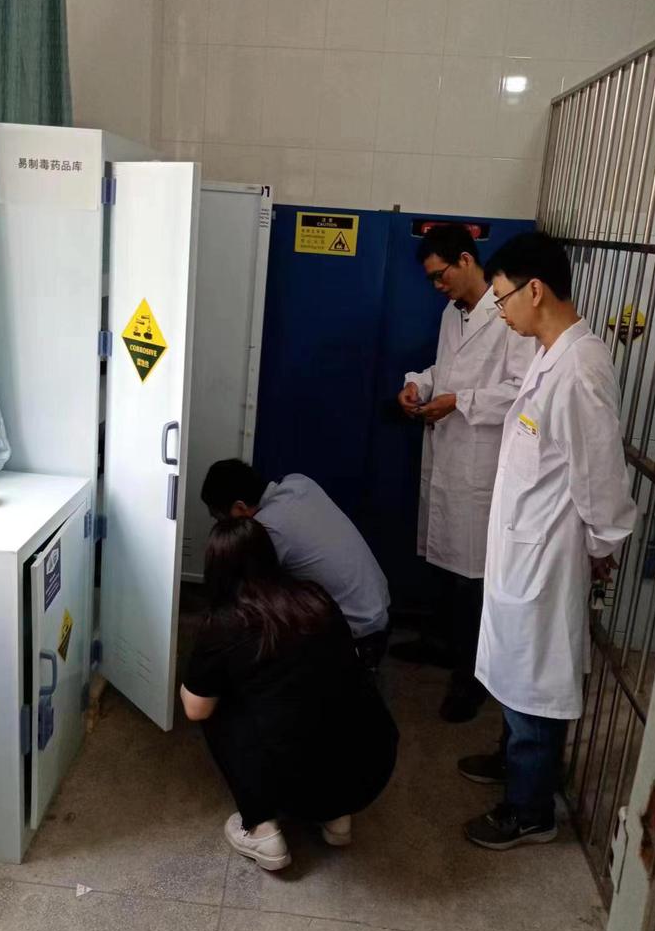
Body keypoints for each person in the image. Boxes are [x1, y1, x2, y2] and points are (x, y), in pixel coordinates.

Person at [462, 231, 636, 850]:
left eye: (502, 298)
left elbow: (600, 478)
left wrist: (602, 548)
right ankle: (516, 762)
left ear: (534, 290)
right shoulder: (549, 352)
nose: (500, 311)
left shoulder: (581, 369)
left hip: (548, 558)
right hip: (525, 548)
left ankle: (531, 809)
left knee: (534, 678)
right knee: (518, 672)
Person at [180, 517, 398, 870]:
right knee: (325, 693)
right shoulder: (314, 596)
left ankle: (262, 830)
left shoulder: (224, 624)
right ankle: (337, 818)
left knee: (215, 707)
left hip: (298, 788)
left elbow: (195, 708)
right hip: (374, 764)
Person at [396, 224, 535, 722]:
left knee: (472, 578)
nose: (438, 286)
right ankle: (440, 643)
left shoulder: (508, 315)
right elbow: (444, 371)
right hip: (447, 452)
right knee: (443, 564)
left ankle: (472, 678)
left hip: (480, 461)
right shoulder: (451, 313)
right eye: (432, 280)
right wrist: (418, 385)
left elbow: (522, 389)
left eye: (441, 275)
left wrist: (461, 403)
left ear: (465, 260)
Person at [201, 460, 392, 669]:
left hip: (357, 637)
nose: (219, 525)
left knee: (253, 613)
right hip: (378, 613)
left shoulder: (267, 528)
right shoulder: (300, 483)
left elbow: (241, 595)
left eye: (219, 519)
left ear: (240, 508)